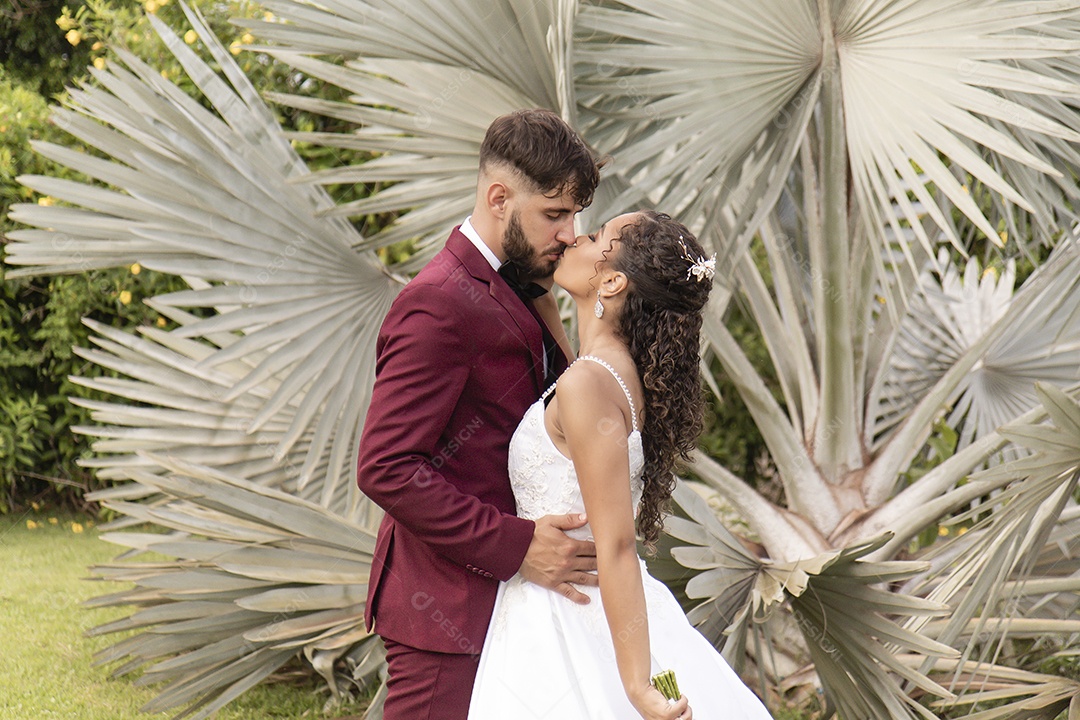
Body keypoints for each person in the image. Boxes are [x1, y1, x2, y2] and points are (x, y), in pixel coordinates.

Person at [468, 211, 774, 720]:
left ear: (611, 280)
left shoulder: (589, 384)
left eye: (591, 236)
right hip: (583, 600)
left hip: (566, 614)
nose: (571, 236)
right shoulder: (613, 374)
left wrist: (636, 685)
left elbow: (617, 543)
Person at [355, 108, 604, 720]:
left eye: (574, 215)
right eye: (555, 214)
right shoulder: (438, 304)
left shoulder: (522, 286)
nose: (570, 233)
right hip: (446, 607)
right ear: (499, 197)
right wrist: (516, 546)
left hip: (517, 608)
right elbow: (386, 466)